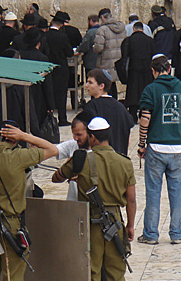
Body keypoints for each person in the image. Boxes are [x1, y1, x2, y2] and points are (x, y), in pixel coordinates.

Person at [0, 120, 58, 281]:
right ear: (14, 138)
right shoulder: (18, 157)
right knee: (13, 276)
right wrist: (24, 136)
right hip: (11, 226)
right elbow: (52, 149)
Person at [52, 117, 136, 281]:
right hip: (115, 221)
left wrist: (76, 172)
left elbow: (57, 178)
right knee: (116, 271)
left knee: (91, 270)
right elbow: (131, 199)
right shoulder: (125, 162)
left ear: (93, 137)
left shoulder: (81, 159)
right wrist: (130, 225)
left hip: (90, 220)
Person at [136, 54, 181, 245]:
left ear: (153, 71)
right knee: (175, 191)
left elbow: (145, 119)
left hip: (156, 147)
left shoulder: (150, 90)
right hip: (177, 147)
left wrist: (141, 144)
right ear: (169, 69)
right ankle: (176, 234)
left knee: (153, 191)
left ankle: (151, 234)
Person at [83, 69, 134, 155]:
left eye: (90, 82)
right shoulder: (120, 107)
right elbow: (128, 136)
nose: (86, 85)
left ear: (101, 86)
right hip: (119, 158)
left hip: (100, 158)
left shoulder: (92, 106)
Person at [53, 111, 94, 201]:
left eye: (79, 135)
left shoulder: (103, 153)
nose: (75, 138)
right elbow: (53, 149)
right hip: (73, 205)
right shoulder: (73, 145)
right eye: (74, 135)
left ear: (90, 133)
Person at [18, 29, 55, 127]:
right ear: (39, 43)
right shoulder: (42, 58)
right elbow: (47, 84)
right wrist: (50, 104)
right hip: (38, 95)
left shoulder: (19, 55)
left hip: (21, 93)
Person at [121, 22, 155, 123]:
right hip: (147, 70)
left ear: (134, 29)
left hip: (133, 69)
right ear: (143, 30)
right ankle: (144, 113)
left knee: (133, 91)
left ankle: (133, 114)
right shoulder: (150, 41)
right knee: (146, 91)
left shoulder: (128, 40)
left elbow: (124, 55)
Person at [45, 11, 73, 126]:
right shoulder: (63, 37)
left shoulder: (44, 35)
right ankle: (62, 118)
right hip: (61, 69)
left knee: (48, 92)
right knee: (61, 94)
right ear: (61, 25)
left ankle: (48, 118)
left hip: (48, 68)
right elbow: (69, 53)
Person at [94, 8, 125, 100]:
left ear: (103, 18)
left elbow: (98, 48)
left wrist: (94, 48)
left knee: (107, 85)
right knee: (113, 84)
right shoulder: (122, 27)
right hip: (118, 60)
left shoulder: (102, 29)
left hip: (106, 61)